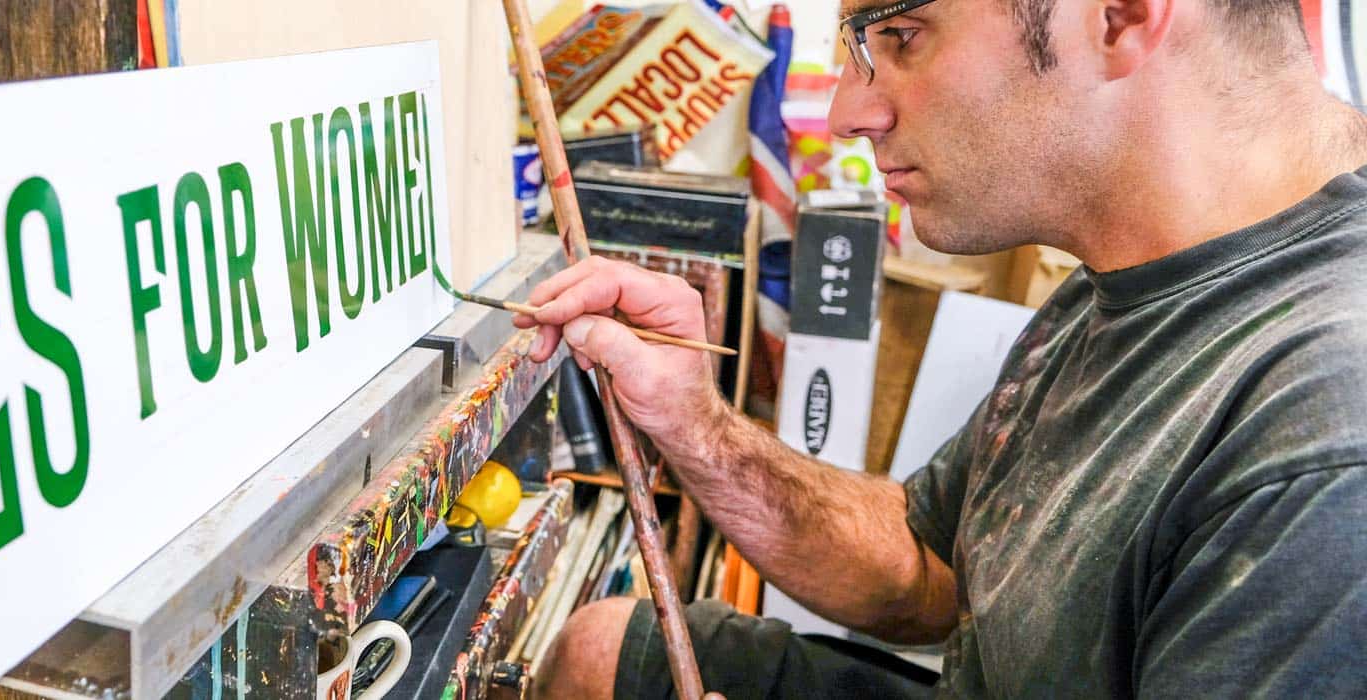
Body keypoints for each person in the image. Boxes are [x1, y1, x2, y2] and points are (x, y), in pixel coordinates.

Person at [523, 0, 1367, 695]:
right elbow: (929, 566)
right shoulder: (1132, 269)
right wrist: (691, 418)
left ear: (1119, 17)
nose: (850, 113)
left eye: (900, 35)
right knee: (604, 656)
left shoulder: (1326, 436)